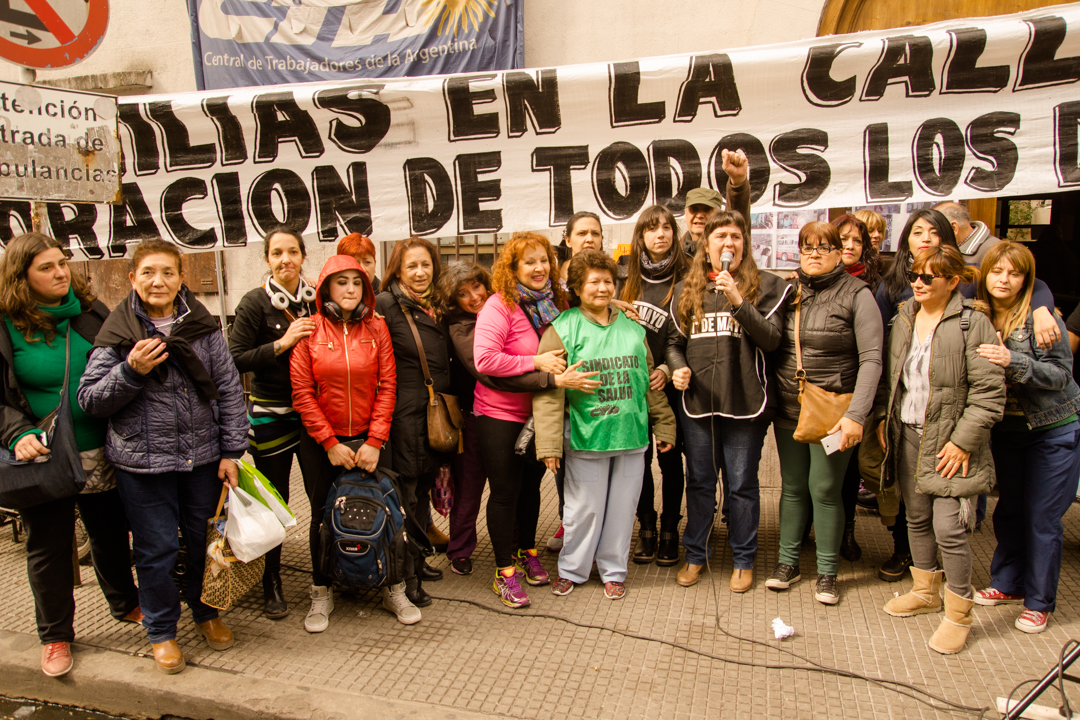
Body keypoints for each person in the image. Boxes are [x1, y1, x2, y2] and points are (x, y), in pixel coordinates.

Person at [78, 239, 248, 675]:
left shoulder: (203, 326)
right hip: (142, 464)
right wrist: (130, 370)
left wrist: (232, 450)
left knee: (203, 544)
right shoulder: (118, 333)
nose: (159, 281)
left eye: (168, 272)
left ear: (180, 278)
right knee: (154, 551)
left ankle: (206, 612)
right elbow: (90, 400)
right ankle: (161, 631)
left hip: (202, 460)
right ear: (133, 278)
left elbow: (229, 390)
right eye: (149, 272)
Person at [0, 233, 141, 679]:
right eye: (46, 267)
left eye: (62, 263)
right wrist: (15, 432)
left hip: (103, 448)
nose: (61, 273)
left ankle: (125, 603)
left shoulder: (90, 311)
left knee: (111, 532)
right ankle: (56, 634)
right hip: (44, 457)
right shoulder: (4, 324)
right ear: (21, 278)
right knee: (49, 546)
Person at [617, 149, 751, 566]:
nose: (660, 235)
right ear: (639, 235)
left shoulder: (688, 271)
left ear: (676, 235)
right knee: (637, 463)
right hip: (632, 384)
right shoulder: (624, 276)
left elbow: (733, 228)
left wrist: (664, 367)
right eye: (651, 230)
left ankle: (673, 529)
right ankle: (647, 526)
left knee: (672, 461)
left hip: (673, 384)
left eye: (665, 229)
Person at [874, 245, 1004, 655]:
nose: (918, 282)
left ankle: (959, 613)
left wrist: (963, 441)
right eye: (915, 274)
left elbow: (988, 394)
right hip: (907, 432)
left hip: (951, 442)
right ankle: (926, 589)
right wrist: (884, 418)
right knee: (915, 516)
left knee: (950, 527)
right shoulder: (904, 316)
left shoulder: (973, 323)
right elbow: (893, 376)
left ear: (952, 281)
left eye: (929, 277)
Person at [437, 262, 595, 575]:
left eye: (476, 287)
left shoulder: (522, 305)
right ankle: (464, 551)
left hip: (529, 411)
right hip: (480, 414)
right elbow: (492, 374)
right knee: (479, 489)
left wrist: (615, 303)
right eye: (463, 294)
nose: (473, 297)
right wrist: (546, 376)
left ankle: (519, 548)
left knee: (524, 488)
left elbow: (578, 306)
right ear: (453, 301)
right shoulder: (463, 325)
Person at [534, 250, 676, 599]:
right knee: (583, 509)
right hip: (586, 437)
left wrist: (665, 425)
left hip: (631, 435)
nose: (601, 288)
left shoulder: (633, 326)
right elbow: (549, 395)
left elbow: (646, 382)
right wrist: (549, 445)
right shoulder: (562, 328)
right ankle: (572, 570)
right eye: (593, 282)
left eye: (607, 282)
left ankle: (614, 570)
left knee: (622, 510)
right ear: (578, 287)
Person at [666, 211, 793, 592]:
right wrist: (678, 368)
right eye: (720, 236)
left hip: (745, 402)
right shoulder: (687, 291)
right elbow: (674, 344)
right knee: (701, 481)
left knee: (740, 484)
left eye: (736, 236)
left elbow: (772, 340)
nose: (728, 243)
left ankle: (743, 558)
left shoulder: (768, 286)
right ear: (706, 247)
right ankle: (694, 554)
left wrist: (737, 299)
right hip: (699, 404)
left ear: (745, 245)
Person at [290, 253, 418, 627]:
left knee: (390, 511)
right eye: (341, 281)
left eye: (356, 282)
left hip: (371, 437)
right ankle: (321, 591)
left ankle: (393, 588)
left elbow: (389, 385)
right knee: (321, 516)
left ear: (366, 288)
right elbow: (301, 392)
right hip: (321, 441)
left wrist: (375, 440)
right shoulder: (308, 330)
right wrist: (329, 443)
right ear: (326, 287)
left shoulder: (377, 328)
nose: (349, 289)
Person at [768, 222, 883, 605]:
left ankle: (828, 573)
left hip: (835, 413)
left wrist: (857, 415)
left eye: (823, 247)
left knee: (826, 489)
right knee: (793, 486)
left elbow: (872, 360)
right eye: (806, 247)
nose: (814, 254)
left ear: (840, 253)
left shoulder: (858, 294)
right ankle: (787, 563)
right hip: (789, 409)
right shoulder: (789, 291)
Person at [973, 242, 1080, 634]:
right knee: (1010, 510)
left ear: (1026, 280)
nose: (1004, 280)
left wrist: (1012, 360)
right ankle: (1007, 583)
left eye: (1014, 273)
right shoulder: (978, 312)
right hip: (1007, 431)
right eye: (997, 271)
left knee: (1042, 518)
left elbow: (1060, 376)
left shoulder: (1043, 318)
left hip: (1051, 428)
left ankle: (1039, 601)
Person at [228, 227, 321, 620]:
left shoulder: (318, 298)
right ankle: (272, 581)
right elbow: (235, 358)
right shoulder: (253, 303)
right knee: (276, 500)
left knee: (321, 495)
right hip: (271, 413)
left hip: (315, 412)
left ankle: (325, 576)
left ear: (303, 256)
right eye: (277, 253)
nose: (286, 260)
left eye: (293, 252)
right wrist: (283, 343)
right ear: (267, 259)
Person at [474, 232, 568, 607]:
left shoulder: (554, 303)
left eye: (543, 260)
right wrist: (535, 361)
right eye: (529, 261)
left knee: (532, 489)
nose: (538, 267)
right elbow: (485, 360)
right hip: (499, 415)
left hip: (540, 414)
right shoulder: (500, 305)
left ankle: (527, 551)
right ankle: (503, 572)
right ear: (512, 268)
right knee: (505, 492)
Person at [375, 238, 450, 609]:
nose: (420, 273)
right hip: (403, 416)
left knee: (421, 491)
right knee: (403, 496)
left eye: (426, 265)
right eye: (412, 267)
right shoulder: (386, 304)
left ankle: (418, 560)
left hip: (430, 414)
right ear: (398, 271)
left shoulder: (434, 304)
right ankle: (404, 578)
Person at [831, 213, 882, 563]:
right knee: (817, 467)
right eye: (843, 239)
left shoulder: (877, 285)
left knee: (848, 469)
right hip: (818, 396)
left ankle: (846, 530)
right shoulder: (807, 281)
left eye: (857, 241)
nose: (849, 246)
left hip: (855, 393)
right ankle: (807, 529)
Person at [933, 201, 1000, 268]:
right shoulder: (948, 246)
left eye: (934, 231)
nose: (927, 238)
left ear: (953, 228)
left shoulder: (995, 250)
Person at [683, 187, 725, 253]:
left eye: (707, 209)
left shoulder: (726, 250)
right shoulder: (672, 253)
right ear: (685, 214)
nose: (699, 216)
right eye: (694, 209)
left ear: (720, 215)